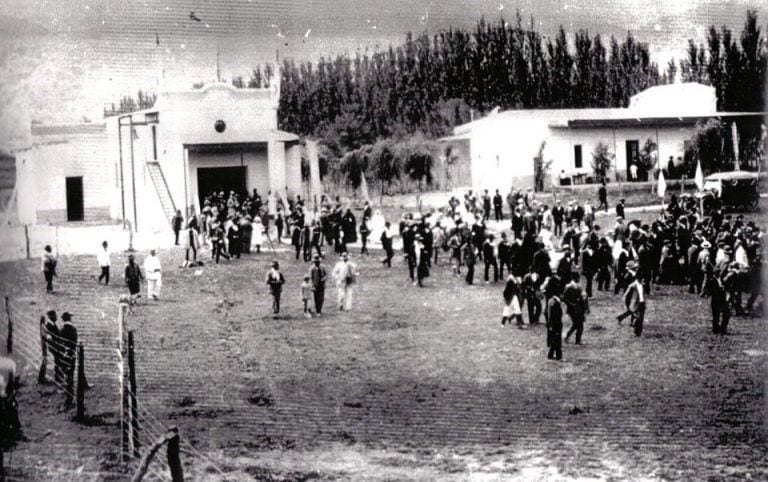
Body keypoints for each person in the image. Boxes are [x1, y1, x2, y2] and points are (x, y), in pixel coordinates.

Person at [617, 269, 645, 337]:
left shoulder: (642, 284)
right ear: (637, 278)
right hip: (635, 303)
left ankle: (638, 332)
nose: (641, 280)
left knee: (640, 318)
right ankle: (636, 331)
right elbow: (628, 289)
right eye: (640, 279)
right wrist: (624, 296)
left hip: (642, 302)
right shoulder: (634, 284)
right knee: (637, 317)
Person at [563, 273, 588, 345]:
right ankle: (577, 340)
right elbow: (565, 299)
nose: (579, 279)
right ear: (574, 278)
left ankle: (568, 336)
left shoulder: (577, 286)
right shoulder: (570, 287)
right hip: (574, 309)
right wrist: (572, 304)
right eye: (577, 278)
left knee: (576, 324)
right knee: (579, 325)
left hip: (578, 309)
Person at [59, 311, 78, 405]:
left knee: (66, 374)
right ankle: (70, 396)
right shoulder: (73, 329)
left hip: (64, 354)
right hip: (71, 353)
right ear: (70, 319)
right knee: (71, 374)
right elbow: (75, 342)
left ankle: (67, 392)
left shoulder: (61, 330)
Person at [545, 277, 564, 360]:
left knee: (554, 339)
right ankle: (559, 356)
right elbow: (555, 315)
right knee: (557, 339)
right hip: (556, 323)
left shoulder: (551, 300)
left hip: (552, 323)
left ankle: (551, 354)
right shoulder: (554, 302)